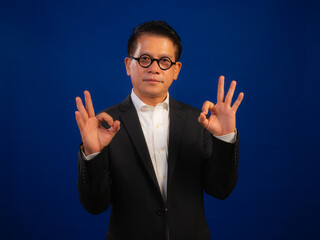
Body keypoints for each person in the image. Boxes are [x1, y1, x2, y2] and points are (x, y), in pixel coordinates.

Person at [75, 20, 244, 240]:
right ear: (128, 65)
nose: (154, 68)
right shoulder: (104, 125)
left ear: (176, 70)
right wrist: (93, 154)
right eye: (144, 59)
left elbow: (221, 190)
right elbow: (95, 206)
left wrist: (224, 138)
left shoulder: (199, 121)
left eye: (164, 61)